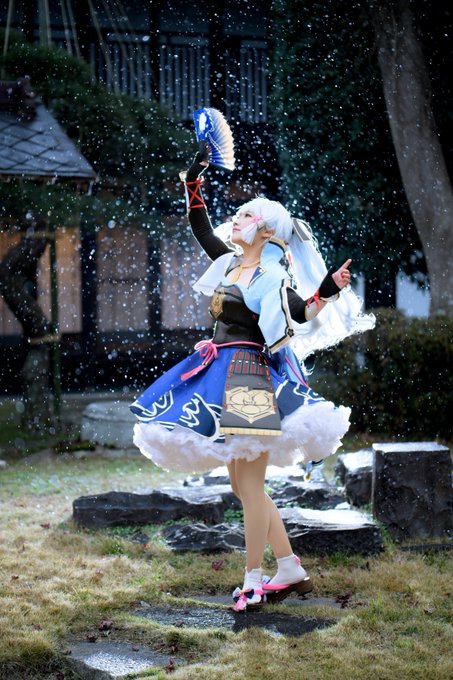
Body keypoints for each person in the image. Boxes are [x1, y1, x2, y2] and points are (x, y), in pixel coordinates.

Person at [130, 142, 374, 611]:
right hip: (218, 373)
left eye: (244, 215)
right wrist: (194, 180)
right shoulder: (229, 263)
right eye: (237, 214)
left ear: (264, 229)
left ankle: (254, 580)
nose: (235, 218)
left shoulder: (270, 276)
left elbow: (301, 313)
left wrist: (328, 289)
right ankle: (289, 566)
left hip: (250, 380)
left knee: (252, 487)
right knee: (243, 488)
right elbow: (201, 226)